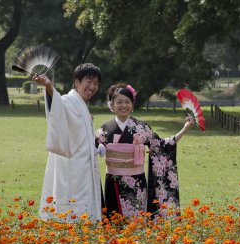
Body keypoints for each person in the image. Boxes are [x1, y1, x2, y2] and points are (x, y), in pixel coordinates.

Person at [96, 83, 194, 219]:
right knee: (114, 221)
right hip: (113, 183)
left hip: (136, 183)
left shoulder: (142, 128)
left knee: (137, 222)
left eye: (127, 102)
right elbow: (91, 148)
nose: (123, 105)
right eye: (119, 102)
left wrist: (185, 129)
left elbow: (161, 145)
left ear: (132, 105)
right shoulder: (104, 129)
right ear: (112, 105)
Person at [33, 63, 103, 223]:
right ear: (77, 82)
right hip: (71, 167)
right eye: (89, 81)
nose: (92, 87)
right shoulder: (67, 101)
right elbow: (56, 105)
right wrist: (49, 86)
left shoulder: (81, 104)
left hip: (85, 167)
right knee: (71, 209)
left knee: (84, 210)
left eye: (96, 83)